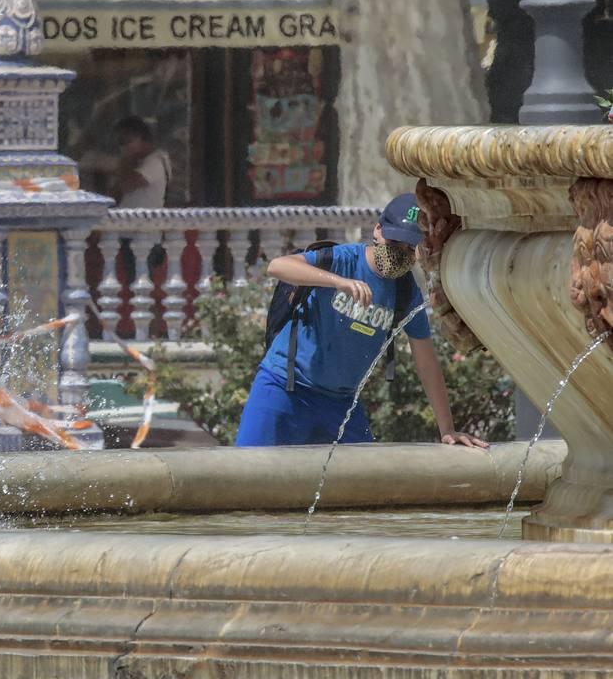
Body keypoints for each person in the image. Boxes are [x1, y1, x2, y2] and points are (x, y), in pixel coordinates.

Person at [234, 193, 487, 449]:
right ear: (377, 230)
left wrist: (447, 429)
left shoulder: (406, 293)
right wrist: (339, 282)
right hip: (283, 388)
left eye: (410, 247)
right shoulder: (342, 260)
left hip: (342, 403)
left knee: (366, 485)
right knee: (246, 473)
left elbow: (426, 362)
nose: (400, 253)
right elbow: (278, 266)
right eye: (394, 241)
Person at [114, 115, 171, 209]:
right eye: (121, 142)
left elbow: (126, 185)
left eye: (127, 141)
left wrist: (125, 160)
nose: (124, 147)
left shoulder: (155, 162)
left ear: (141, 138)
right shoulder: (139, 161)